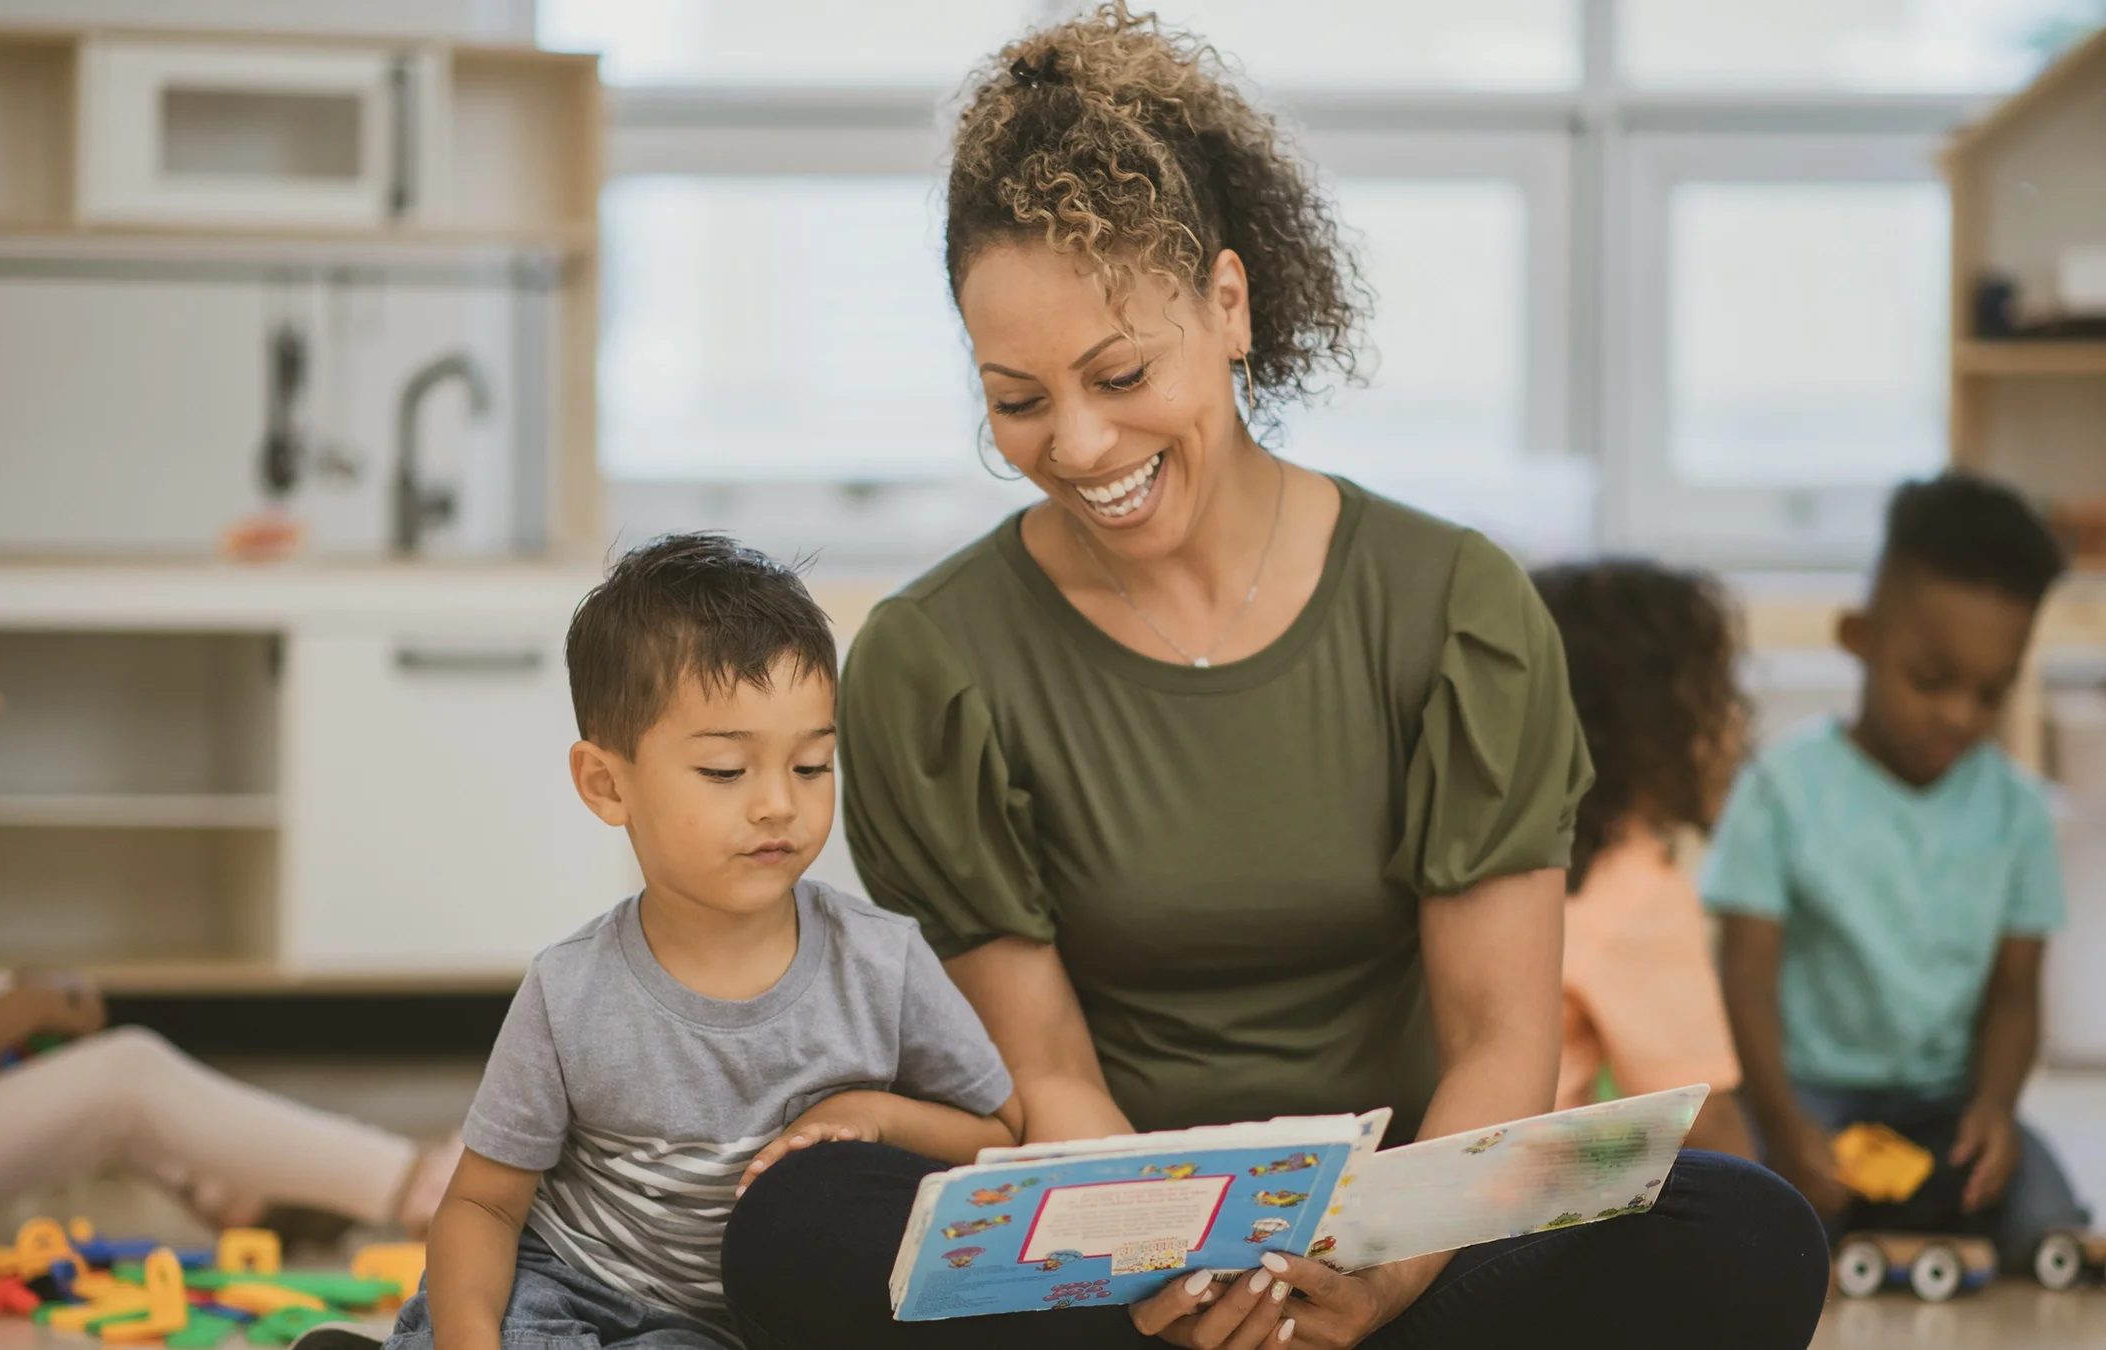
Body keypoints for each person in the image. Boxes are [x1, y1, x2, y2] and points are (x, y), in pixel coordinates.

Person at [716, 8, 1829, 1349]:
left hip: (1400, 1237)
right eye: (1016, 398)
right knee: (802, 1219)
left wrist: (1381, 1273)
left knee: (1744, 1229)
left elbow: (1496, 1048)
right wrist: (1169, 1277)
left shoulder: (1455, 608)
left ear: (1230, 305)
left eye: (1121, 373)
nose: (1076, 443)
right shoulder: (933, 659)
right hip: (1107, 1248)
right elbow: (1049, 1069)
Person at [0, 546, 460, 1292]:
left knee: (6, 1008)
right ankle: (415, 1184)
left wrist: (8, 1014)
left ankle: (229, 1191)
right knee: (123, 1077)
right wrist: (16, 1014)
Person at [340, 534, 1020, 1350]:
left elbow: (1000, 1136)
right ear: (607, 783)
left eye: (811, 766)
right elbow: (484, 1204)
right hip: (572, 1283)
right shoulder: (569, 990)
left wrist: (877, 1114)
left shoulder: (882, 959)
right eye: (728, 772)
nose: (778, 804)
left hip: (743, 1325)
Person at [1708, 472, 2092, 1271]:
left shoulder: (2017, 812)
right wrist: (1784, 1125)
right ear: (1861, 636)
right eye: (1932, 680)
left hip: (1944, 1106)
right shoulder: (1782, 788)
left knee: (2044, 1209)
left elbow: (2016, 991)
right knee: (1740, 1192)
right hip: (1806, 1094)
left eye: (1992, 692)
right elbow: (1744, 976)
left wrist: (1993, 1106)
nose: (1959, 714)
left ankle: (1898, 1230)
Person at [1532, 561, 1753, 1156]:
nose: (1738, 722)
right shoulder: (1635, 890)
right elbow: (1706, 1123)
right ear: (1646, 726)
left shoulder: (1512, 849)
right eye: (1718, 696)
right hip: (1513, 1209)